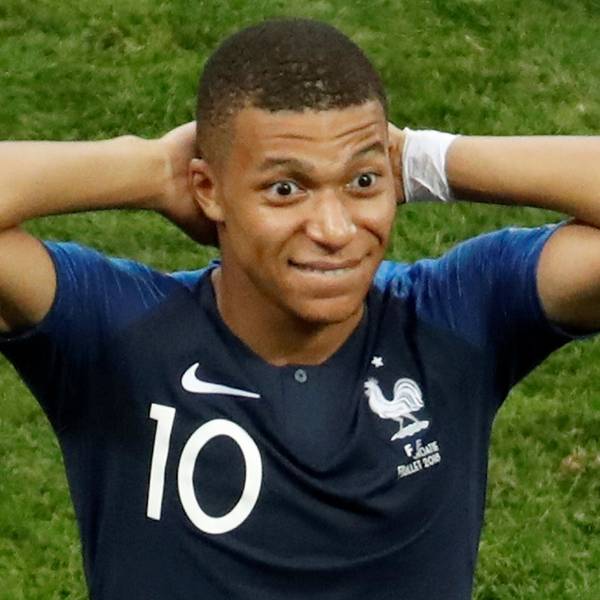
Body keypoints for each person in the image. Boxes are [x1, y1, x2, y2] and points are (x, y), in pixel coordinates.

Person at [0, 18, 598, 600]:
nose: (335, 230)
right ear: (207, 190)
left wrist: (425, 158)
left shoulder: (457, 314)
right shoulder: (115, 331)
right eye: (286, 189)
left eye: (363, 183)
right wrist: (154, 170)